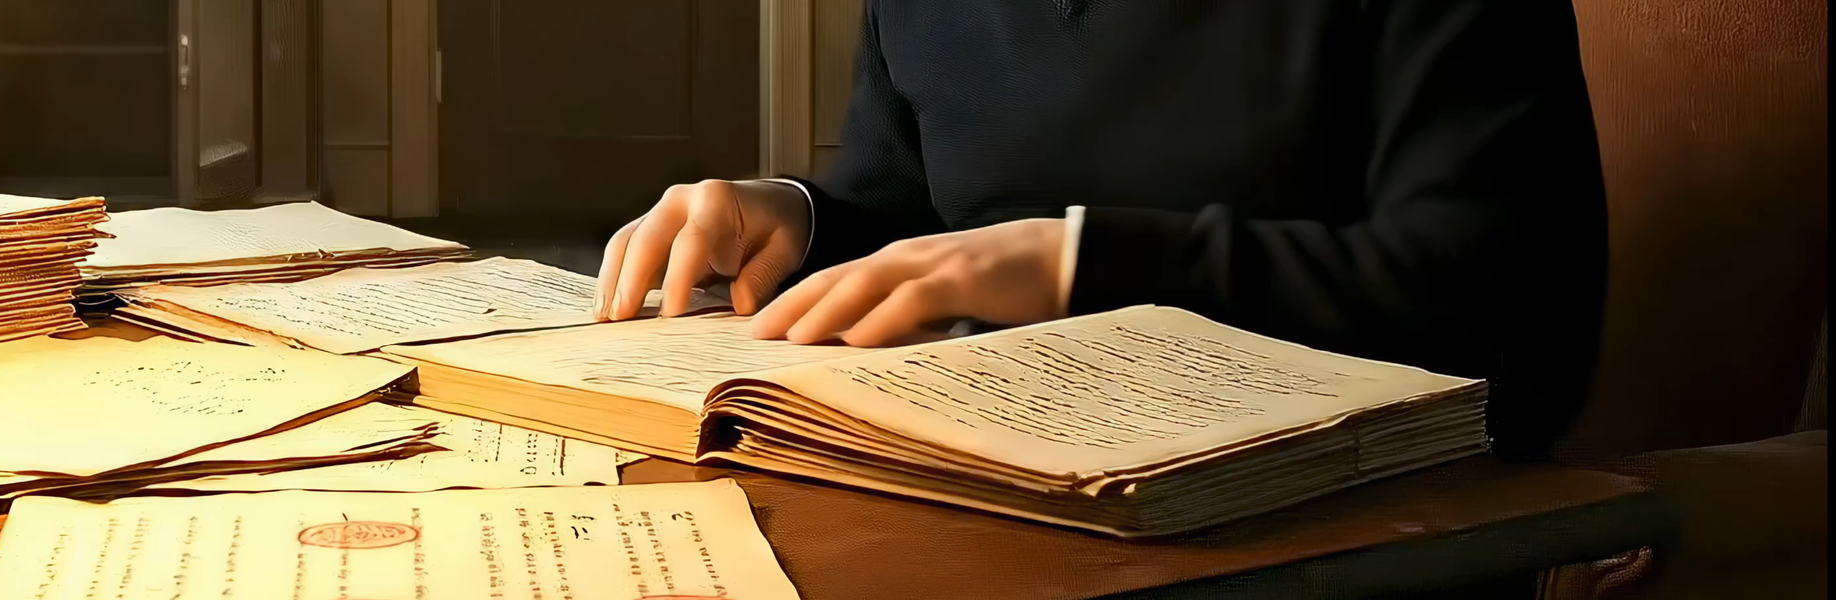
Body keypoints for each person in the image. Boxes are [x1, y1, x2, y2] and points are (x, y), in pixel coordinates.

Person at [591, 0, 1607, 459]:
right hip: (1001, 470)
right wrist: (795, 218)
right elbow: (907, 221)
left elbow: (1497, 318)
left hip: (1338, 508)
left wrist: (1075, 260)